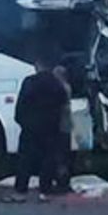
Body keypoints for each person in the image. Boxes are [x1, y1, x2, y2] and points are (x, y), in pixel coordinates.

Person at [9, 55, 70, 203]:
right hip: (50, 127)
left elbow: (21, 104)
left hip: (30, 127)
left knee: (25, 160)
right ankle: (45, 191)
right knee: (48, 159)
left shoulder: (29, 82)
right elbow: (63, 103)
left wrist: (22, 121)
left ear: (37, 66)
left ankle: (21, 191)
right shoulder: (56, 83)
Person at [53, 65, 74, 192]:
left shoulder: (61, 88)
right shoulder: (67, 87)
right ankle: (64, 180)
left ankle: (61, 181)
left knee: (60, 155)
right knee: (65, 154)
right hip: (67, 126)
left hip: (61, 126)